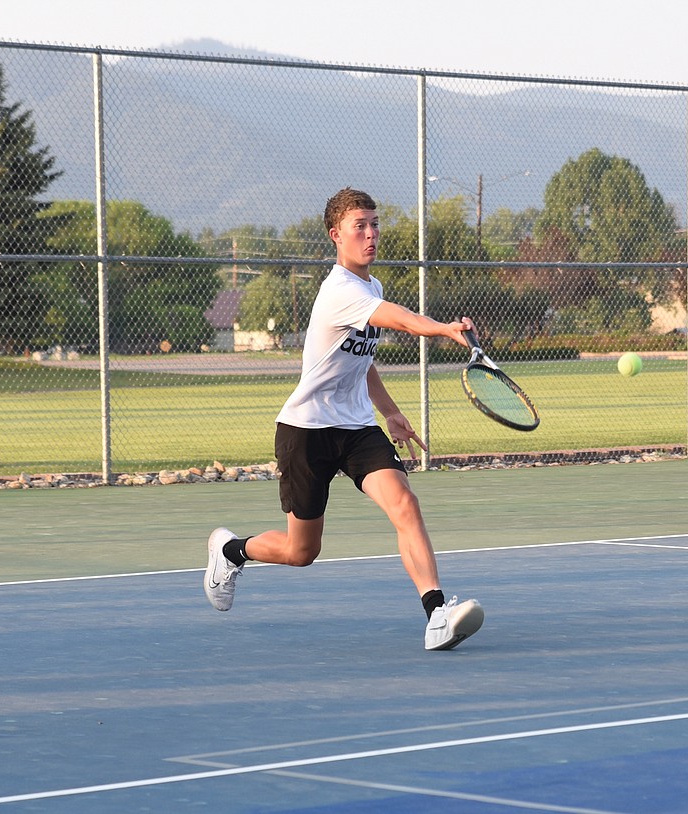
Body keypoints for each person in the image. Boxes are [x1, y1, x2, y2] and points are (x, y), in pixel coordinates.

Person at [203, 187, 484, 651]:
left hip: (356, 429)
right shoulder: (341, 291)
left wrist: (390, 411)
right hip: (305, 431)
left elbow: (361, 358)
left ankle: (436, 613)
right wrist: (443, 328)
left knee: (405, 504)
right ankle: (230, 551)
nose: (371, 234)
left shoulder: (370, 287)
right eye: (361, 226)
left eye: (375, 224)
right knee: (301, 552)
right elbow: (403, 321)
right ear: (337, 236)